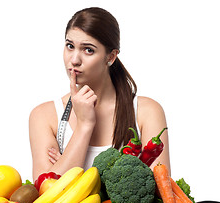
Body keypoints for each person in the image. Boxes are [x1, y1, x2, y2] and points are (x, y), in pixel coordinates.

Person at [29, 7, 170, 181]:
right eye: (70, 46)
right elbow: (44, 194)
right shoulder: (44, 115)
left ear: (110, 57)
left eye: (88, 50)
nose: (74, 60)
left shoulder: (146, 112)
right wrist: (84, 125)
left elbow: (161, 189)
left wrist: (70, 168)